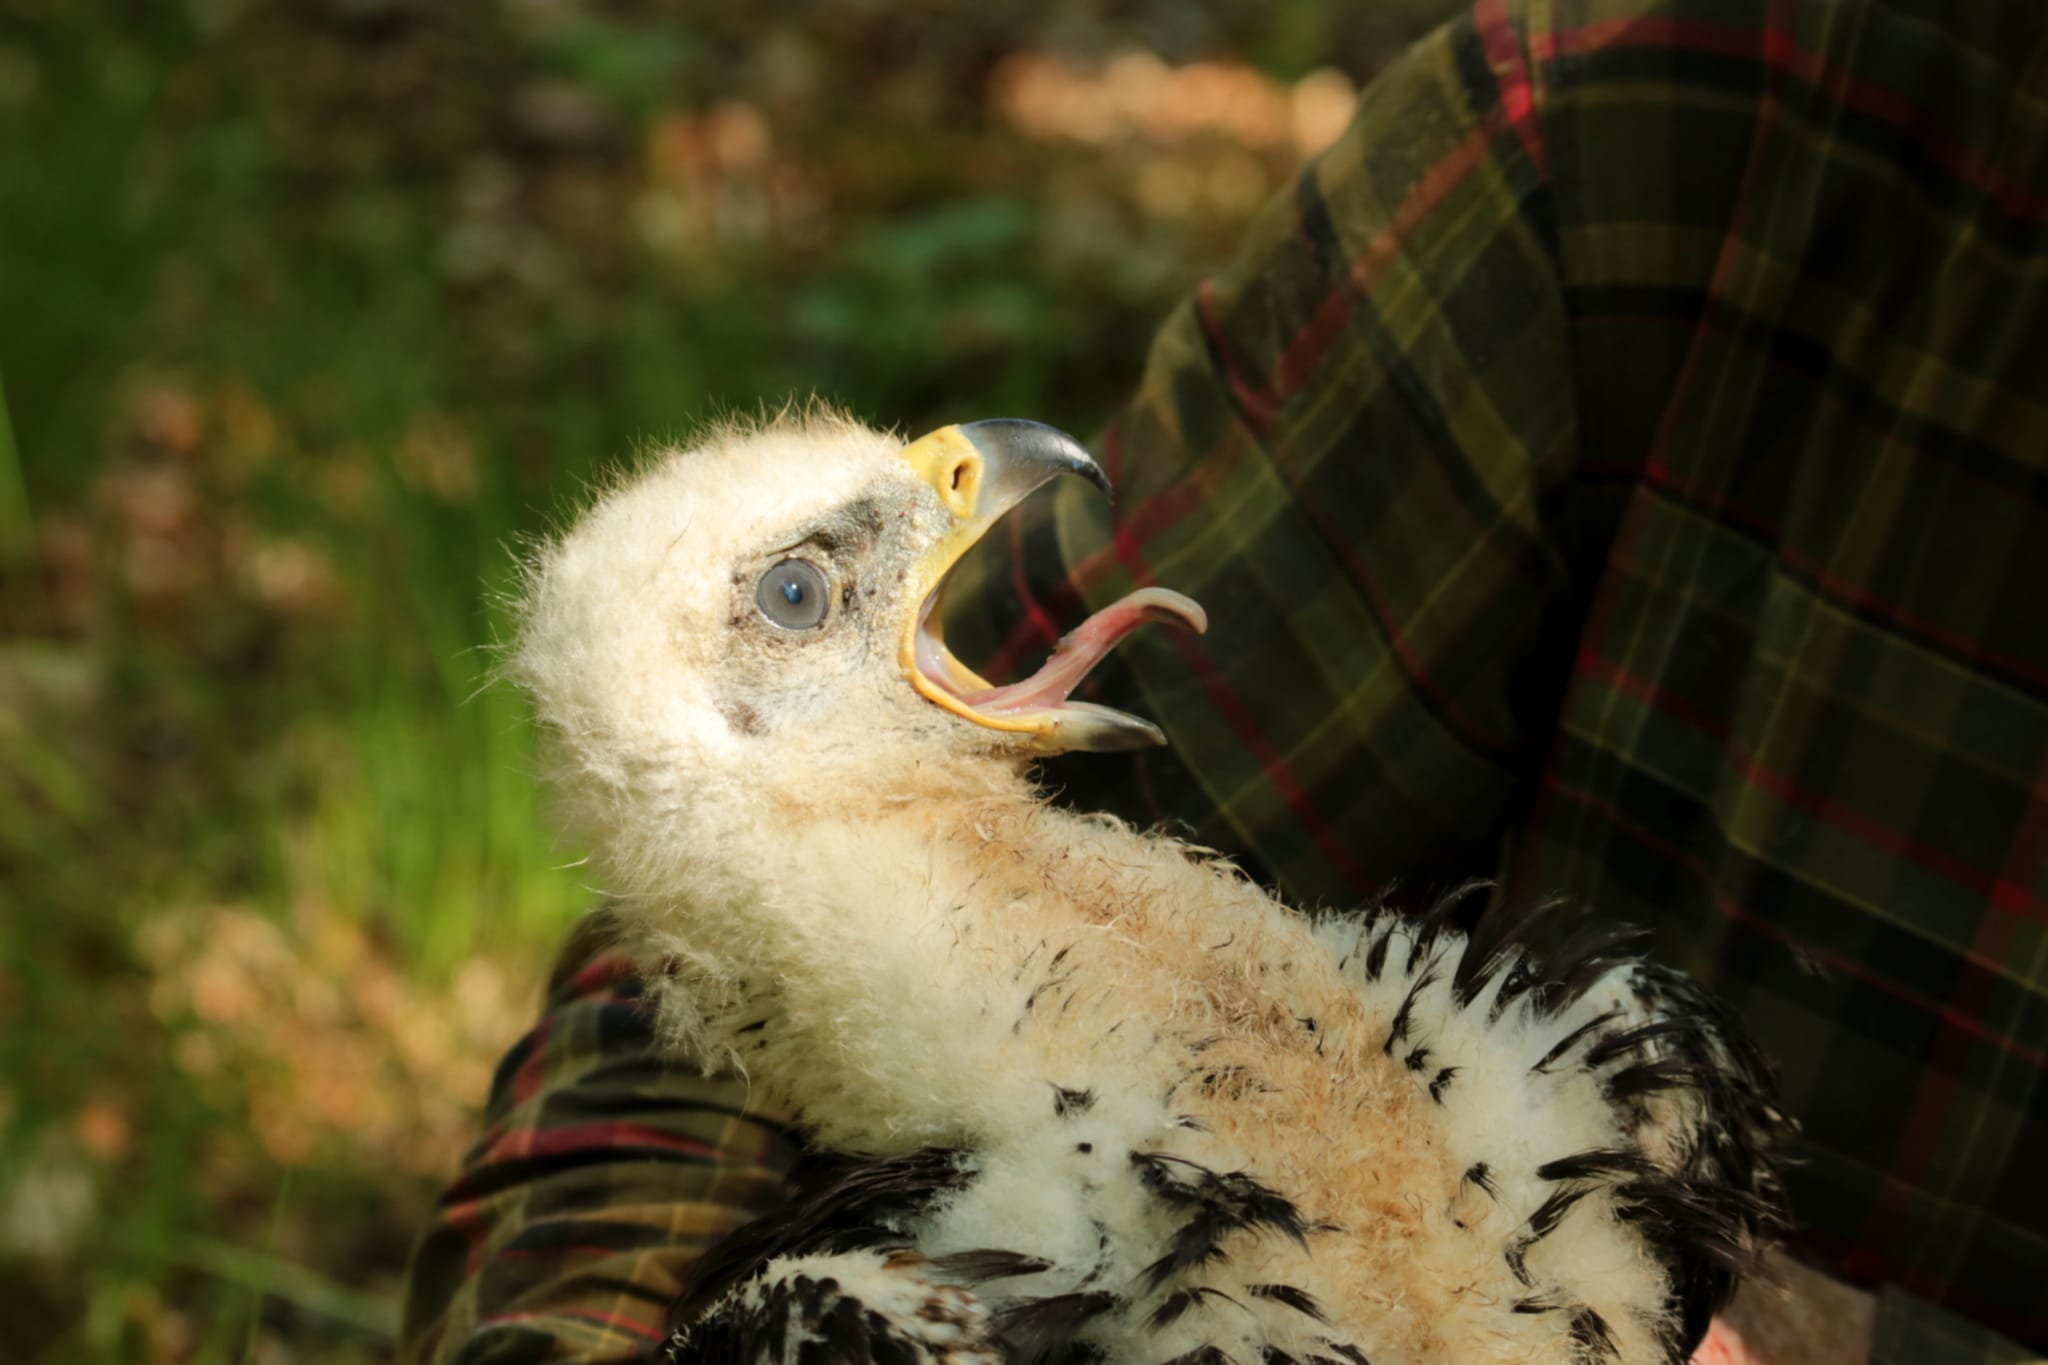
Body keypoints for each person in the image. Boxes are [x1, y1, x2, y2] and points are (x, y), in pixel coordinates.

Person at [398, 0, 2048, 1359]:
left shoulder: (1581, 1096)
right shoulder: (1689, 129)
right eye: (804, 588)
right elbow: (669, 1038)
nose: (975, 479)